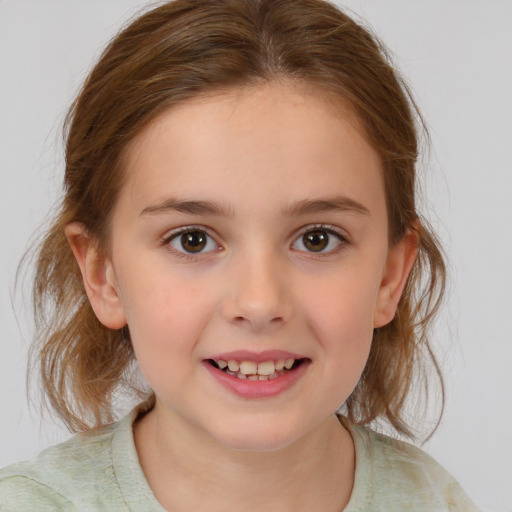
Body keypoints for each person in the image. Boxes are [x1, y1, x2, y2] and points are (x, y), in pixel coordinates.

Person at [0, 0, 482, 510]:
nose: (258, 302)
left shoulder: (436, 500)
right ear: (103, 275)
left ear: (390, 275)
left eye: (317, 238)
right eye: (192, 240)